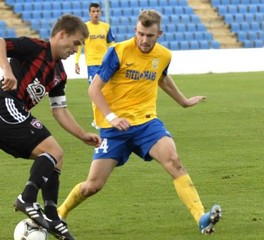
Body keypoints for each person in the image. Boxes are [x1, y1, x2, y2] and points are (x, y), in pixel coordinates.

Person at [57, 9, 222, 236]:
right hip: (113, 128)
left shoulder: (164, 56)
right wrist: (113, 118)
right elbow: (93, 90)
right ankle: (59, 213)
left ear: (159, 34)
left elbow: (161, 78)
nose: (144, 40)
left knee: (174, 161)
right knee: (93, 185)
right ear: (135, 30)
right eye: (141, 34)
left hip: (146, 123)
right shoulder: (118, 52)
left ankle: (201, 217)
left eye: (150, 36)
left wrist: (183, 101)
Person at [0, 15, 101, 240]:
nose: (76, 50)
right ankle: (27, 198)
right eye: (76, 43)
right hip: (4, 107)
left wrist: (82, 134)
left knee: (58, 156)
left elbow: (60, 110)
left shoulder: (60, 74)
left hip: (14, 114)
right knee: (53, 151)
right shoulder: (35, 47)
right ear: (61, 35)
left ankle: (51, 215)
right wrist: (7, 70)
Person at [75, 2, 115, 84]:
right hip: (92, 64)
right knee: (93, 90)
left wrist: (113, 59)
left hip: (105, 63)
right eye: (93, 11)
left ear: (100, 12)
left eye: (97, 11)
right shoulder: (84, 28)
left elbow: (112, 44)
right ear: (89, 13)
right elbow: (79, 46)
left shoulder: (106, 27)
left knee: (106, 90)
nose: (96, 13)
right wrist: (76, 62)